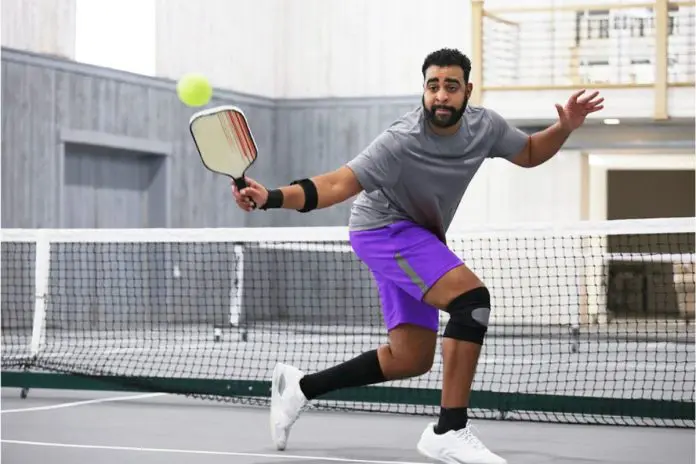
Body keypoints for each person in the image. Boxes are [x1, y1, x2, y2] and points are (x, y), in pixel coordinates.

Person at [232, 48, 604, 464]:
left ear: (467, 91)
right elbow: (338, 184)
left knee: (410, 358)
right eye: (432, 86)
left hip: (420, 237)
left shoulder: (486, 127)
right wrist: (271, 198)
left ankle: (299, 387)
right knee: (472, 302)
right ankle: (450, 430)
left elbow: (531, 152)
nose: (441, 96)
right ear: (423, 90)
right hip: (382, 229)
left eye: (450, 86)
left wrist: (565, 126)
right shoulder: (401, 140)